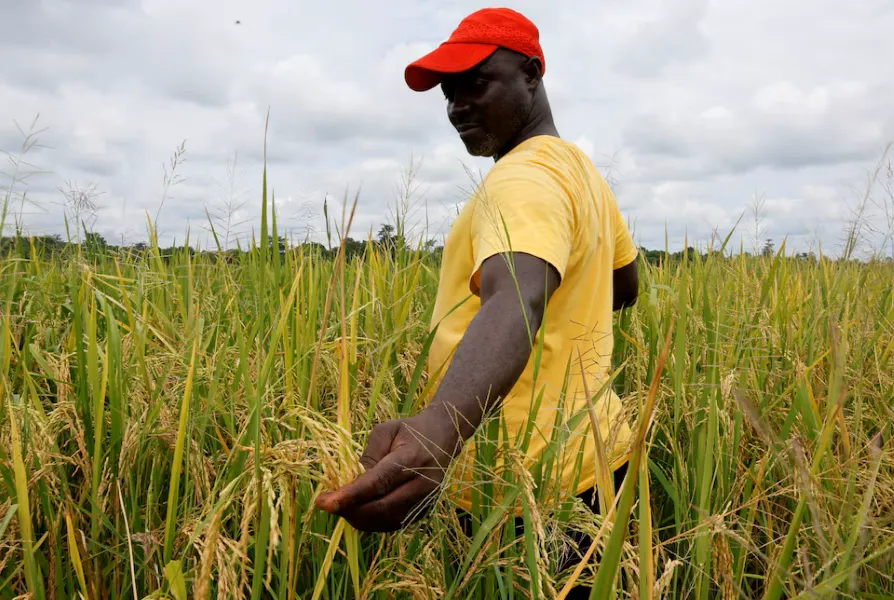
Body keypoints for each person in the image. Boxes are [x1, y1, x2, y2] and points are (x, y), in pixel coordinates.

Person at [315, 6, 639, 594]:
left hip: (525, 487)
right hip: (600, 456)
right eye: (448, 92)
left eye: (477, 84)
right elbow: (625, 286)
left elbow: (517, 299)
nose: (456, 106)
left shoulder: (521, 180)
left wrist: (441, 427)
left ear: (533, 74)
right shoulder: (581, 172)